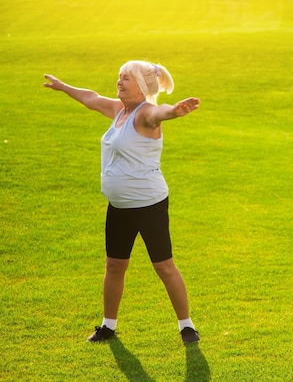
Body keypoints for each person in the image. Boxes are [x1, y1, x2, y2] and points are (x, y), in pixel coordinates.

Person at [43, 60, 201, 344]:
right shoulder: (119, 110)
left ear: (141, 87)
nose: (119, 82)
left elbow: (160, 112)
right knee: (115, 265)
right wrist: (64, 87)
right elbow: (91, 98)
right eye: (119, 76)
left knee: (164, 266)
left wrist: (175, 111)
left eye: (126, 78)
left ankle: (186, 325)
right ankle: (108, 326)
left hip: (148, 204)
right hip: (119, 206)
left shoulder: (145, 114)